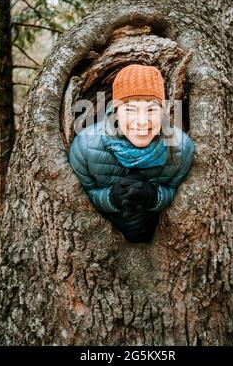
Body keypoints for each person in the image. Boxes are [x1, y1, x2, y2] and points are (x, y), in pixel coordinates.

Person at [69, 64, 195, 244]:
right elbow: (81, 196)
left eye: (151, 110)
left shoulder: (181, 149)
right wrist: (111, 197)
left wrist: (154, 196)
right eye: (130, 110)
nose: (142, 122)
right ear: (115, 111)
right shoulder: (85, 146)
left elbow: (179, 194)